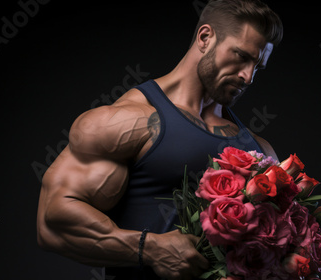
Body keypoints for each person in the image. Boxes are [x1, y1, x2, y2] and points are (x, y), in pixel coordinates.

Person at [36, 0, 283, 279]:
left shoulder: (260, 150)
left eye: (257, 67)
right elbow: (53, 223)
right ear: (205, 37)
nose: (248, 77)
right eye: (241, 56)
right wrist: (149, 249)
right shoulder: (128, 121)